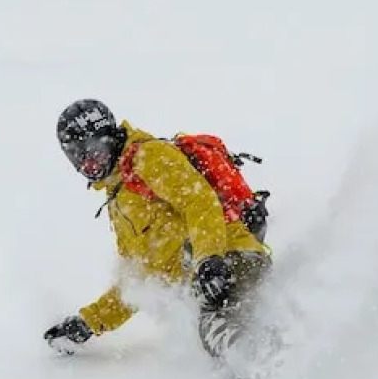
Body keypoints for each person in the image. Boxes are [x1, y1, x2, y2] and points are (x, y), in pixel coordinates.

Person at [44, 99, 272, 362]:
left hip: (229, 255)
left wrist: (209, 258)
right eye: (77, 156)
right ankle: (267, 356)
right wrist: (88, 323)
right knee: (222, 324)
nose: (87, 163)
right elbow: (139, 281)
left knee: (216, 325)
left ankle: (265, 364)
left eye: (92, 150)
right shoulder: (120, 202)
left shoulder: (148, 157)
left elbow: (200, 201)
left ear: (110, 137)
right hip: (205, 274)